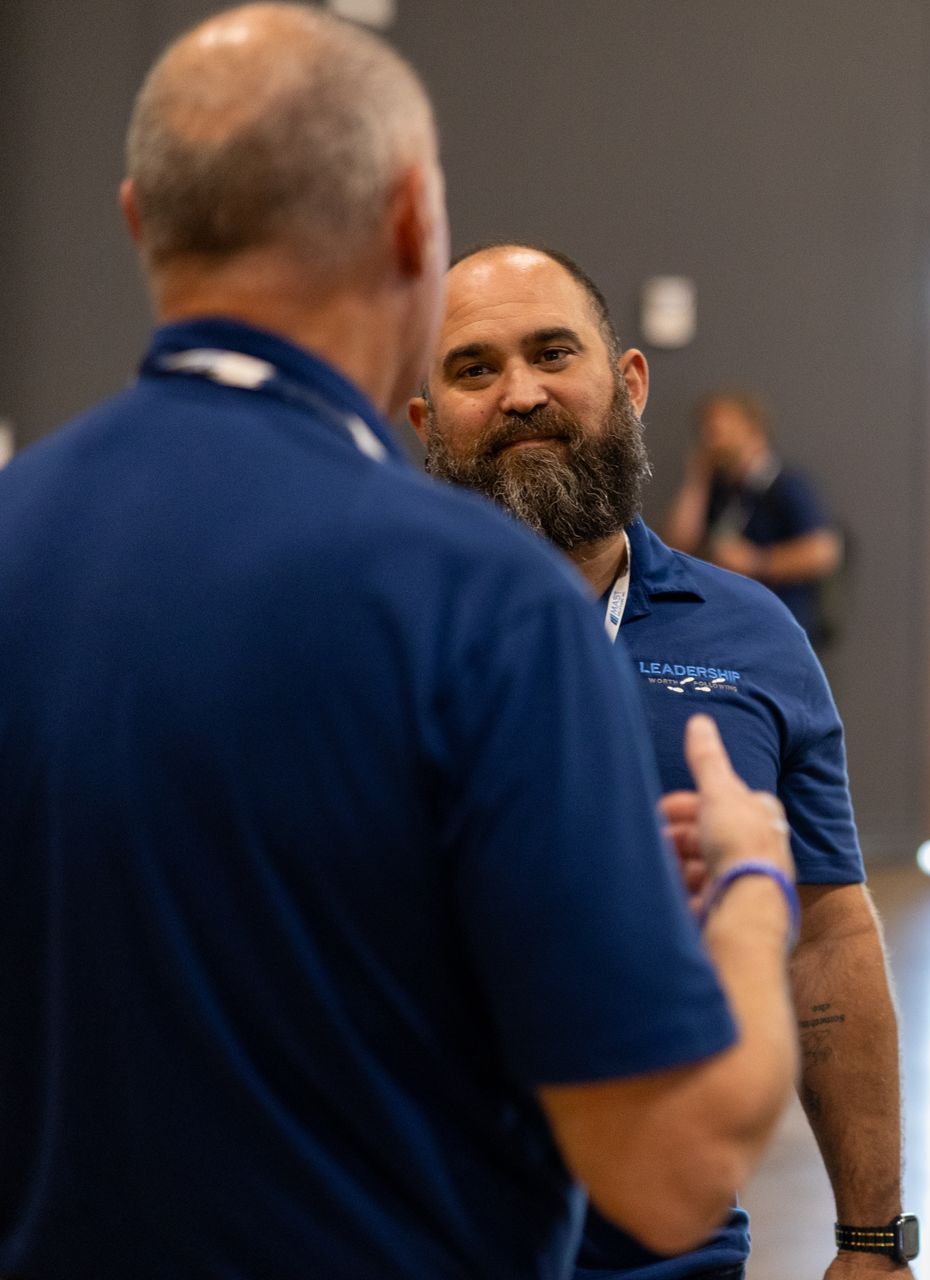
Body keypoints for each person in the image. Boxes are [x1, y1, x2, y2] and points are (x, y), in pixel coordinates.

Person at [0, 8, 799, 1278]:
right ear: (416, 229)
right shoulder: (480, 603)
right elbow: (670, 1169)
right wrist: (754, 885)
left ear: (141, 220)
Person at [410, 243, 915, 1280]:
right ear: (421, 420)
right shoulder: (361, 631)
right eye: (473, 368)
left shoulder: (755, 635)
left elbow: (827, 931)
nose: (521, 393)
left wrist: (872, 1239)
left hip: (667, 1249)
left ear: (630, 383)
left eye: (554, 352)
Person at [662, 390, 843, 645]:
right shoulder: (720, 488)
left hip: (782, 622)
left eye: (720, 427)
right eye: (706, 429)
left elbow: (823, 552)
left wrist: (758, 562)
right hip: (730, 621)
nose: (711, 437)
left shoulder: (787, 483)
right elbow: (677, 544)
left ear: (753, 430)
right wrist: (697, 480)